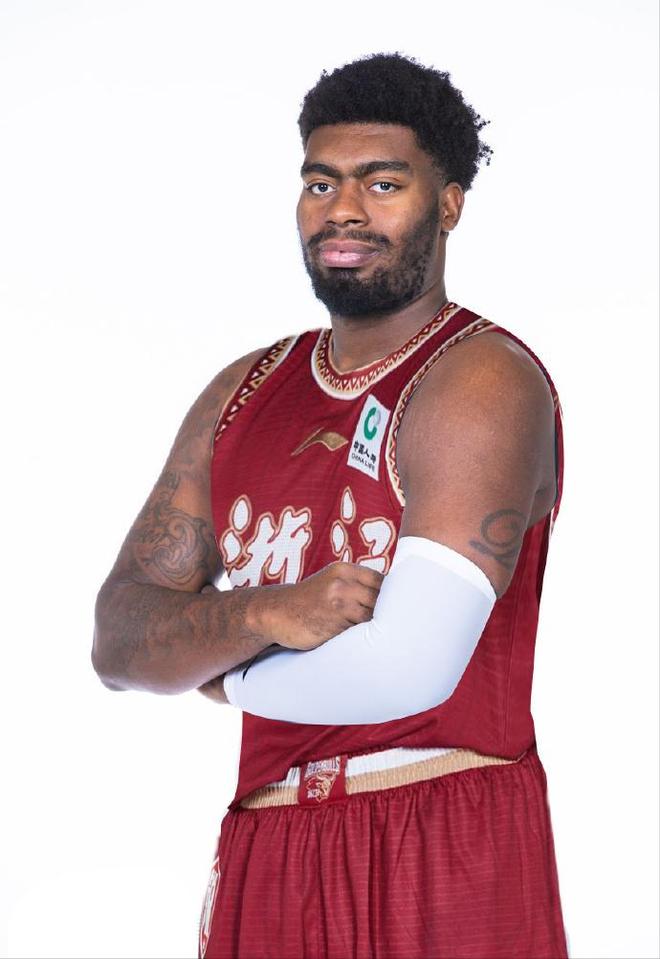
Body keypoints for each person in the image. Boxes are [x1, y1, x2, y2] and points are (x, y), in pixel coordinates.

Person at [92, 51, 569, 959]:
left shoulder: (480, 380)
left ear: (448, 204)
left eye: (382, 184)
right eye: (321, 183)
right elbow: (118, 641)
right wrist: (264, 612)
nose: (343, 209)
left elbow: (408, 668)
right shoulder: (243, 392)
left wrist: (223, 672)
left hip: (441, 832)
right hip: (270, 840)